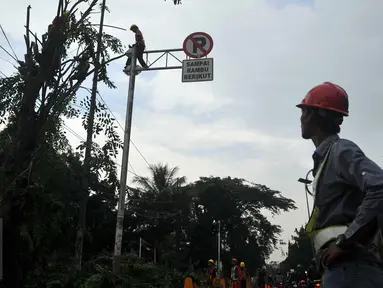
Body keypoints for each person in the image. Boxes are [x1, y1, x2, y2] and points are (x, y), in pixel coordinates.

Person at [297, 82, 383, 288]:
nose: (301, 118)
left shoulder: (340, 151)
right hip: (345, 268)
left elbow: (380, 187)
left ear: (316, 115)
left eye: (304, 111)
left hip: (352, 269)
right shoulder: (327, 157)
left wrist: (345, 242)